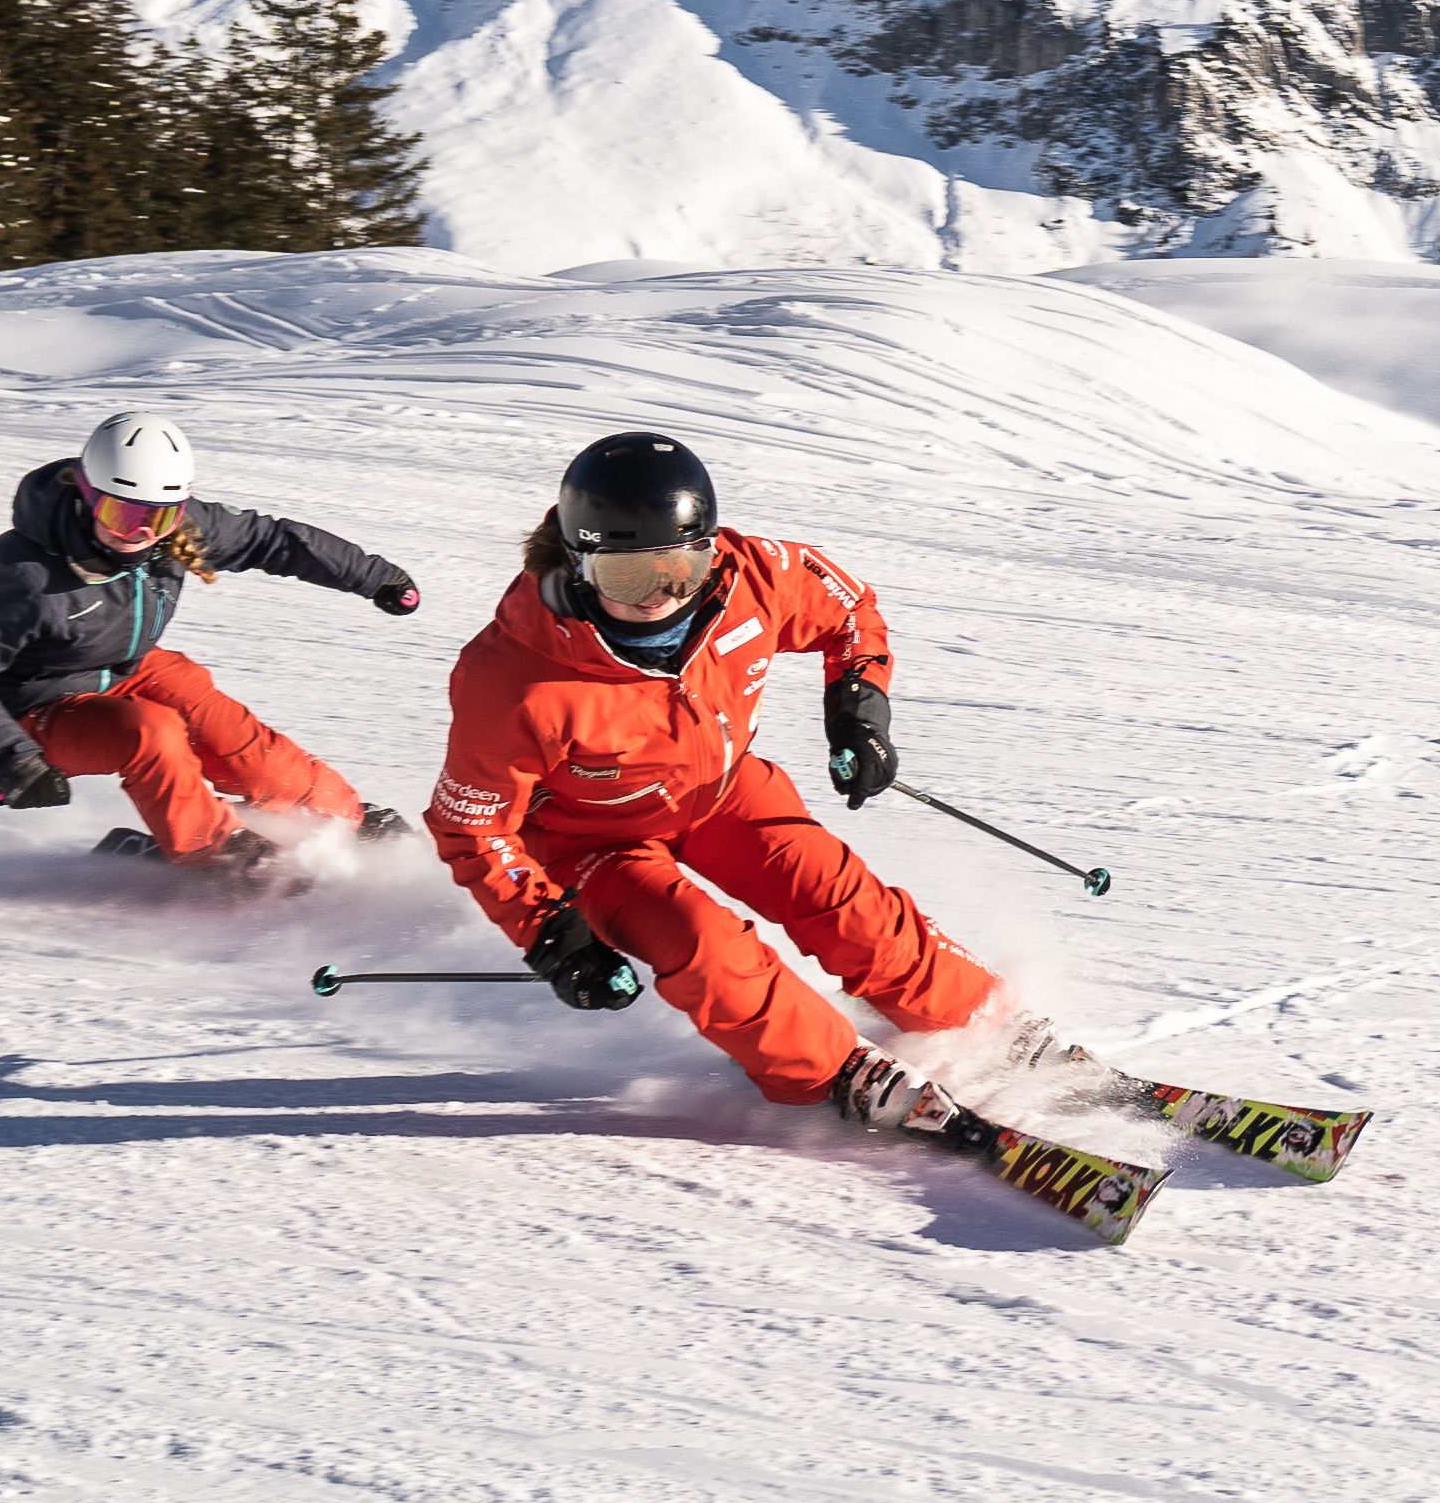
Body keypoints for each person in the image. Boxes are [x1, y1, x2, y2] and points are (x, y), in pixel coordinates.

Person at [425, 425, 1112, 1153]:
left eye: (682, 569)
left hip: (722, 789)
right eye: (629, 577)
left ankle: (978, 1018)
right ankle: (836, 1071)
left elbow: (849, 611)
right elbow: (470, 827)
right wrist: (550, 935)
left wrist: (858, 710)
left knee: (836, 894)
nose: (662, 595)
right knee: (702, 943)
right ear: (577, 566)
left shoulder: (749, 576)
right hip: (589, 839)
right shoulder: (513, 681)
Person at [0, 404, 428, 874]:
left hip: (126, 666)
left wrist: (374, 577)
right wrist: (13, 760)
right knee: (150, 731)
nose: (139, 533)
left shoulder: (177, 533)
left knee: (243, 746)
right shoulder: (22, 574)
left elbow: (271, 540)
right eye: (123, 515)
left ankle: (346, 819)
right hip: (36, 709)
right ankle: (216, 853)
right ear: (89, 495)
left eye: (157, 518)